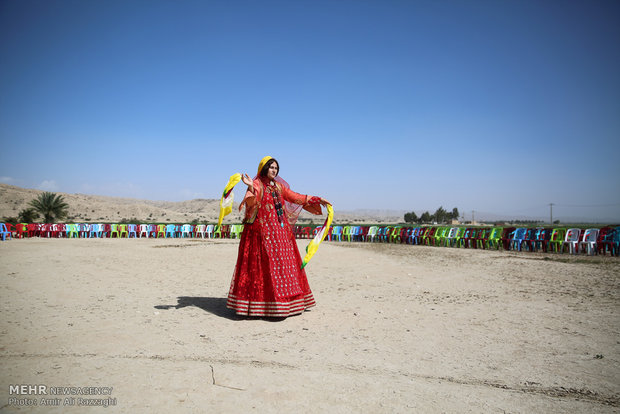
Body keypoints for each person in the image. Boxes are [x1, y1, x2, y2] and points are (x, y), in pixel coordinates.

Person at [227, 156, 330, 318]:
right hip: (261, 234)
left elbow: (296, 197)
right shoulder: (256, 184)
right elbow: (251, 202)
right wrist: (251, 188)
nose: (274, 170)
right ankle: (265, 304)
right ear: (264, 169)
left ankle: (287, 303)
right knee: (265, 266)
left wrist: (317, 199)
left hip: (280, 233)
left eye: (276, 168)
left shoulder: (279, 187)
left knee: (284, 265)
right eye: (271, 167)